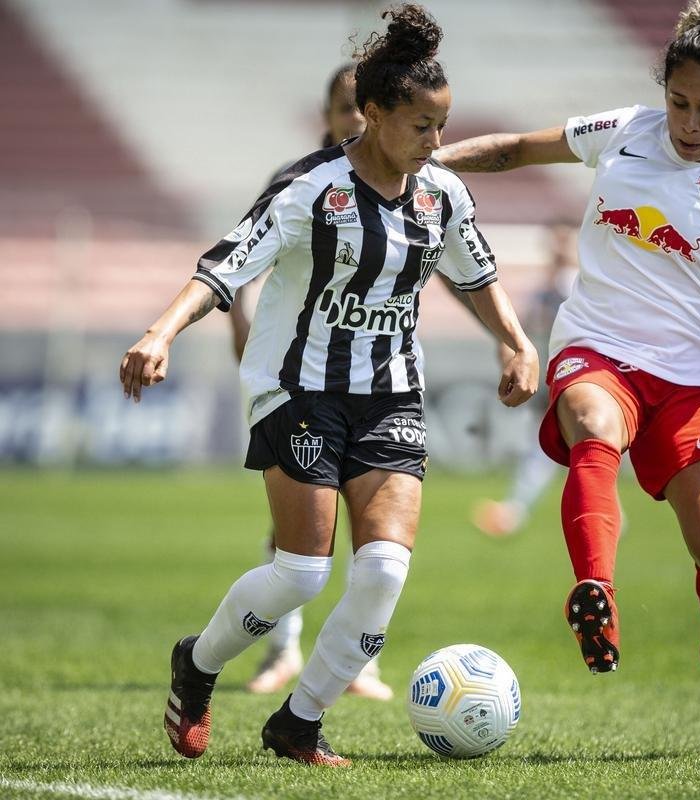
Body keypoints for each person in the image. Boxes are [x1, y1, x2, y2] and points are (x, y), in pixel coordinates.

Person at [120, 3, 538, 768]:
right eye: (422, 126)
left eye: (442, 125)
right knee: (303, 572)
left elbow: (475, 274)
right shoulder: (310, 190)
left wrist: (514, 342)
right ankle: (199, 663)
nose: (437, 142)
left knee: (383, 570)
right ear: (374, 114)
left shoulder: (440, 193)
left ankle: (299, 722)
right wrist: (159, 332)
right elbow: (225, 264)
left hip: (391, 392)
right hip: (299, 387)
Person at [437, 0, 700, 751]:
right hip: (596, 347)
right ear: (661, 89)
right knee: (594, 427)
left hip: (694, 380)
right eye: (678, 103)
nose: (689, 124)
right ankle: (595, 589)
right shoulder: (623, 132)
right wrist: (428, 162)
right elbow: (512, 152)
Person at [229, 64, 392, 701]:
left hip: (374, 376)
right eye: (344, 108)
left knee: (371, 521)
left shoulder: (407, 181)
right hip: (299, 375)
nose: (354, 119)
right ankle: (282, 651)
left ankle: (359, 662)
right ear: (328, 115)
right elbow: (241, 264)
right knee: (299, 525)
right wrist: (244, 337)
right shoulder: (299, 180)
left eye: (363, 107)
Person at [471, 223, 577, 537]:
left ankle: (513, 512)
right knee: (573, 450)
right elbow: (530, 326)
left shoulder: (573, 286)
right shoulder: (546, 288)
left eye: (561, 242)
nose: (556, 250)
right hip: (551, 376)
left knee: (549, 450)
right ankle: (612, 519)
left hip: (573, 376)